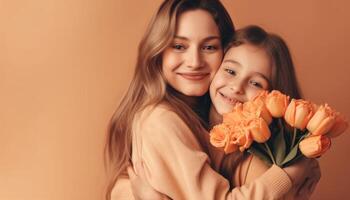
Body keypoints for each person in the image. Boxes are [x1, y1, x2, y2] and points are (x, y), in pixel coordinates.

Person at [105, 0, 320, 199]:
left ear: (224, 51)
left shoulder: (208, 122)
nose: (194, 62)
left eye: (209, 47)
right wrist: (289, 174)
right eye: (179, 46)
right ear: (158, 50)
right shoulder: (161, 121)